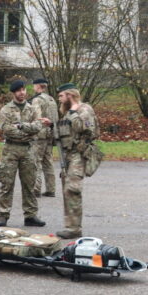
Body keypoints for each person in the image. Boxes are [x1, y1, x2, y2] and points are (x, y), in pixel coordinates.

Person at [0, 79, 51, 227]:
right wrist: (26, 131)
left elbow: (38, 126)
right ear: (13, 93)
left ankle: (30, 215)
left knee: (29, 184)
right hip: (11, 150)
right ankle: (3, 215)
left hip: (28, 150)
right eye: (19, 90)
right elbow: (6, 129)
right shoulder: (6, 109)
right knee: (7, 184)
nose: (22, 93)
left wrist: (21, 126)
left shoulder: (32, 109)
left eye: (23, 90)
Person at [54, 82, 98, 239]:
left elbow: (85, 129)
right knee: (67, 190)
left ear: (70, 95)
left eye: (61, 96)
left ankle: (74, 228)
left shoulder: (84, 110)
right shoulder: (68, 112)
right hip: (68, 156)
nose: (59, 99)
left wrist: (73, 113)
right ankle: (70, 226)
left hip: (79, 154)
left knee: (73, 190)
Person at [30, 78, 59, 198]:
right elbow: (55, 118)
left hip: (40, 134)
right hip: (50, 133)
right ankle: (51, 189)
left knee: (36, 161)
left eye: (34, 85)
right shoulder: (52, 99)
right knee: (48, 162)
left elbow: (37, 117)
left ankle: (36, 189)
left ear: (37, 86)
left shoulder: (37, 100)